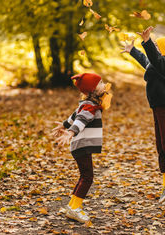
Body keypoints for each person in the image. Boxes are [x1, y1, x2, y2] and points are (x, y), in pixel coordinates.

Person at [121, 26, 165, 203]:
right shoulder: (155, 65)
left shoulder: (163, 65)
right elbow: (146, 60)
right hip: (158, 108)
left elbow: (152, 56)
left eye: (158, 47)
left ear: (164, 52)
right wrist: (133, 50)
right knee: (160, 145)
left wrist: (147, 42)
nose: (156, 50)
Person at [53, 73, 112, 223]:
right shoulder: (89, 107)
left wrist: (64, 125)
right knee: (87, 177)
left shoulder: (85, 104)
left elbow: (73, 116)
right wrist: (70, 132)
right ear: (92, 90)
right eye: (100, 83)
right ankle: (75, 208)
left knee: (84, 176)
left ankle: (72, 205)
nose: (103, 84)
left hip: (81, 146)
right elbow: (80, 120)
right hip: (82, 145)